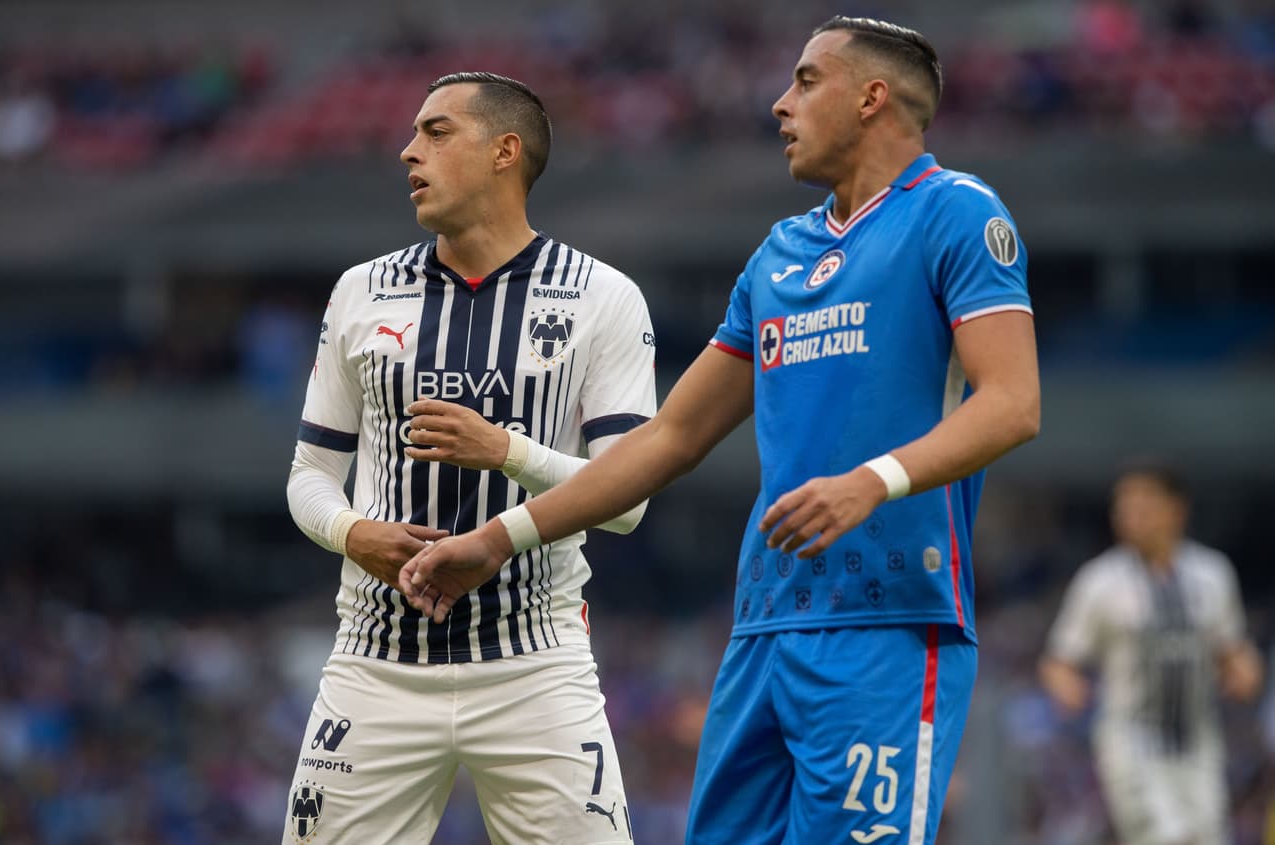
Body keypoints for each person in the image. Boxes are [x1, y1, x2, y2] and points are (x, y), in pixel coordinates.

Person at [402, 17, 1040, 845]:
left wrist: (871, 480)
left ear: (873, 97)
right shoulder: (780, 252)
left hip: (887, 621)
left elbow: (1012, 403)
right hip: (763, 626)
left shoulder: (956, 213)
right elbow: (667, 438)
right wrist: (499, 537)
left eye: (807, 82)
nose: (781, 103)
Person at [283, 71, 656, 844]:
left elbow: (627, 499)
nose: (406, 151)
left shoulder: (602, 297)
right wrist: (356, 534)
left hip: (535, 663)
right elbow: (311, 476)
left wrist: (505, 450)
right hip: (376, 661)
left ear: (504, 152)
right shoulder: (362, 291)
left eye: (435, 132)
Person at [1039, 463, 1263, 845]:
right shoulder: (1100, 580)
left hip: (1198, 738)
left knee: (1208, 835)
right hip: (1131, 738)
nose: (1131, 517)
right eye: (1124, 508)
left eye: (1144, 505)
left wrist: (1245, 671)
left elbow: (1232, 647)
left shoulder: (1212, 574)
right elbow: (1060, 658)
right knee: (1163, 836)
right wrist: (1067, 687)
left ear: (1177, 509)